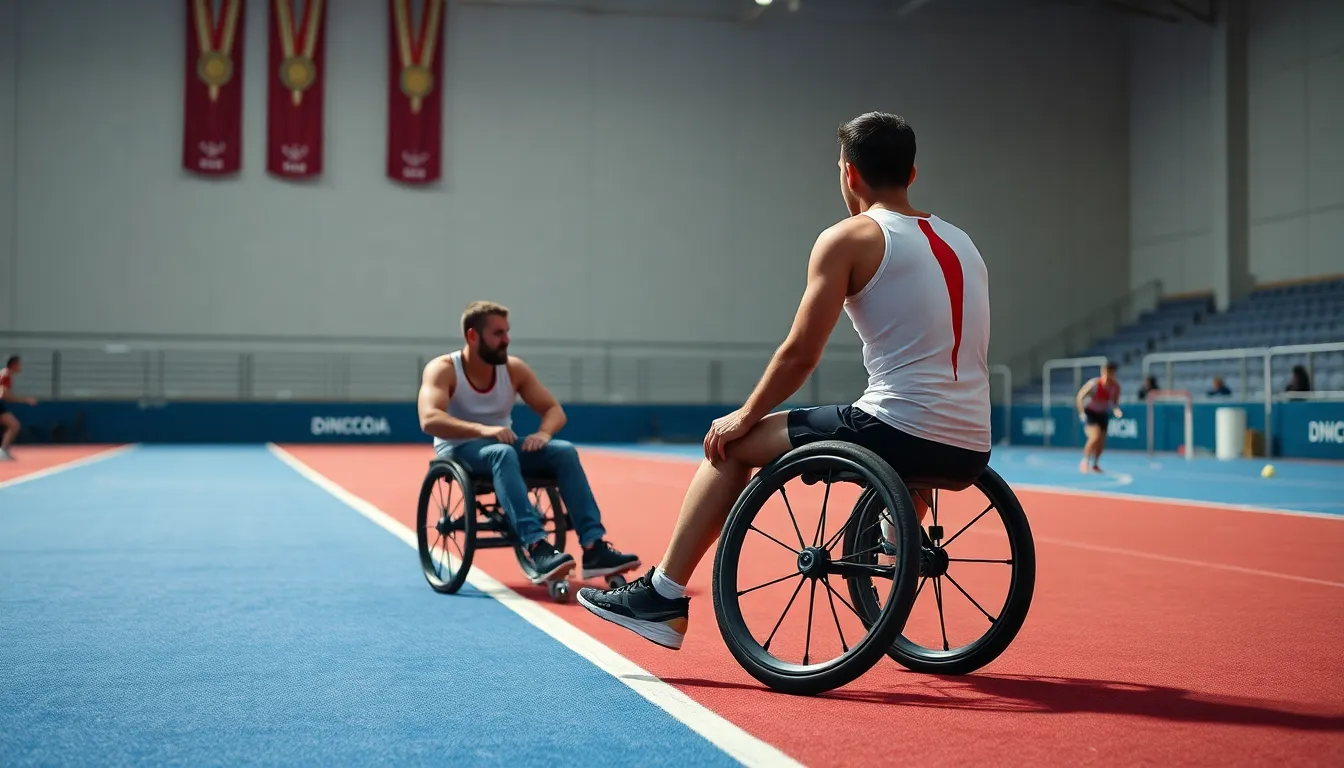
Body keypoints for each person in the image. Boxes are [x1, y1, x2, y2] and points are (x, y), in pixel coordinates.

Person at [575, 112, 993, 651]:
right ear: (912, 174)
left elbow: (800, 354)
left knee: (730, 448)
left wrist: (745, 416)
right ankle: (897, 529)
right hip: (969, 447)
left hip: (898, 431)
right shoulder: (963, 242)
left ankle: (663, 595)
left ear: (849, 175)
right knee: (904, 437)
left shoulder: (850, 238)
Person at [416, 301, 641, 585]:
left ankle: (594, 547)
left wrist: (543, 434)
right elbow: (429, 419)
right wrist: (483, 430)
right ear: (473, 336)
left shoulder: (513, 369)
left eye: (507, 332)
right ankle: (537, 546)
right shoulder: (443, 369)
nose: (507, 340)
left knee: (563, 452)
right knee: (501, 454)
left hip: (503, 446)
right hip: (460, 450)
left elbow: (553, 410)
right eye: (498, 333)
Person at [1075, 361, 1122, 474]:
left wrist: (1117, 411)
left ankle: (1095, 464)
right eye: (1106, 371)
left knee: (1101, 441)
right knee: (1095, 437)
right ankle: (1085, 461)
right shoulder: (1094, 384)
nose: (1108, 375)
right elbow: (1079, 397)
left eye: (1111, 372)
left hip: (1103, 414)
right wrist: (1081, 413)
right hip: (1090, 413)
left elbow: (1114, 403)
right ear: (1103, 371)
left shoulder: (1115, 387)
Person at [1, 355, 39, 461]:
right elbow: (4, 395)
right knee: (14, 425)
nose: (20, 367)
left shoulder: (5, 374)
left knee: (14, 425)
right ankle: (3, 450)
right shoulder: (6, 375)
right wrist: (25, 400)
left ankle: (4, 450)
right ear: (13, 365)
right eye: (19, 364)